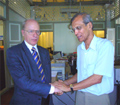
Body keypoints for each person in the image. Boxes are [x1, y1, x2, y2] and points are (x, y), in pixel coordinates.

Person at [51, 12, 114, 105]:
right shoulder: (80, 48)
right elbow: (80, 74)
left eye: (78, 28)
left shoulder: (105, 46)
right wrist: (64, 84)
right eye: (74, 30)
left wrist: (69, 87)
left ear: (89, 25)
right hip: (80, 94)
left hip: (97, 98)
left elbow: (97, 78)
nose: (76, 33)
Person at [6, 19, 62, 105]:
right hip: (27, 101)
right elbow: (22, 82)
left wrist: (53, 84)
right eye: (31, 31)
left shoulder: (44, 52)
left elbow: (45, 77)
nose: (35, 35)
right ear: (23, 33)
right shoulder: (13, 52)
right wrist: (52, 89)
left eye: (37, 31)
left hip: (46, 99)